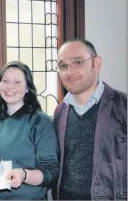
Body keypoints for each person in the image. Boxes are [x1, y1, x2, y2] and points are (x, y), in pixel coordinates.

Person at [53, 38, 127, 200]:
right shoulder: (60, 112)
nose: (70, 71)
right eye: (63, 66)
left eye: (78, 62)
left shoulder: (123, 106)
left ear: (97, 63)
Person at [0, 61, 59, 200]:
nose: (10, 86)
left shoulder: (40, 122)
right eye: (5, 81)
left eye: (17, 82)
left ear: (27, 88)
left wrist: (24, 175)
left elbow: (51, 172)